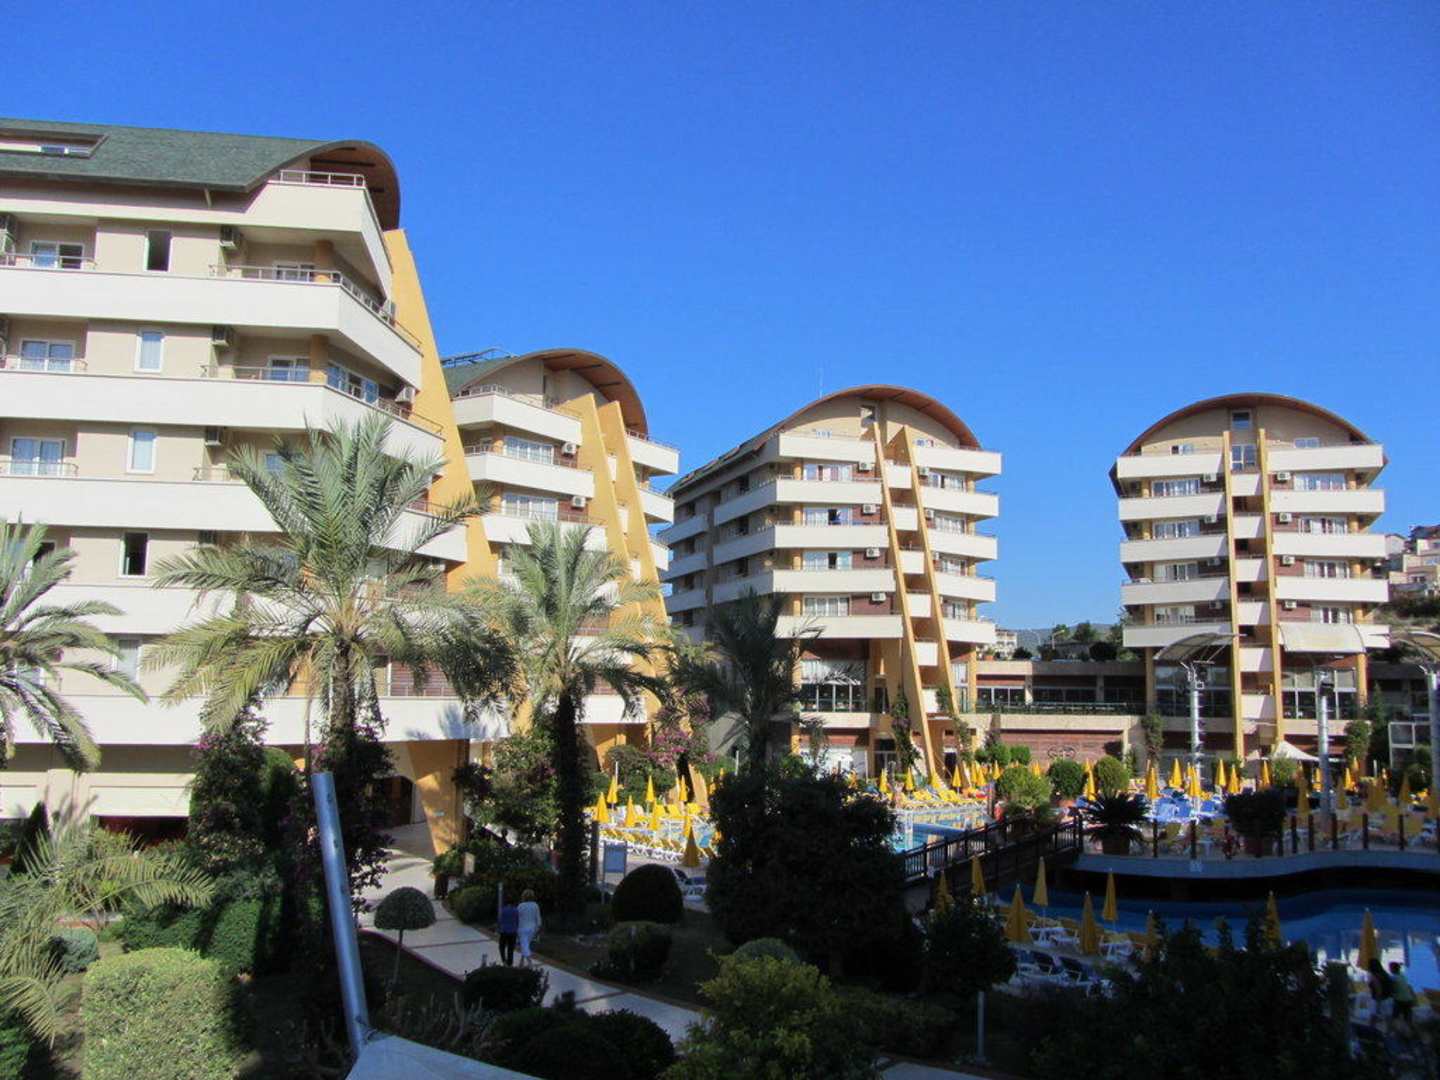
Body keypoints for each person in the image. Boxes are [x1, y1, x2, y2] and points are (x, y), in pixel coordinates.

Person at [516, 888, 542, 966]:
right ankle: (521, 961)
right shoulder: (535, 905)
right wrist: (538, 928)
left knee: (525, 945)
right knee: (526, 944)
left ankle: (530, 964)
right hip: (533, 929)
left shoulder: (520, 906)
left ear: (523, 896)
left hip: (522, 928)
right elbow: (538, 918)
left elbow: (516, 918)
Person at [1389, 961, 1417, 1028]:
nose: (1389, 969)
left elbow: (1391, 988)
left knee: (1394, 1018)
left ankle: (1389, 1032)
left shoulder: (1394, 978)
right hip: (1409, 999)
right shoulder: (1402, 976)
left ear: (1392, 969)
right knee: (1408, 1020)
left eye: (1390, 968)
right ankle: (1414, 1032)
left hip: (1400, 1000)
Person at [497, 897, 519, 967]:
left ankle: (504, 961)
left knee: (502, 947)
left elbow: (500, 920)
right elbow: (517, 921)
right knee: (511, 948)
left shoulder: (503, 910)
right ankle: (510, 963)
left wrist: (498, 929)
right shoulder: (516, 910)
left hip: (504, 931)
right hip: (513, 932)